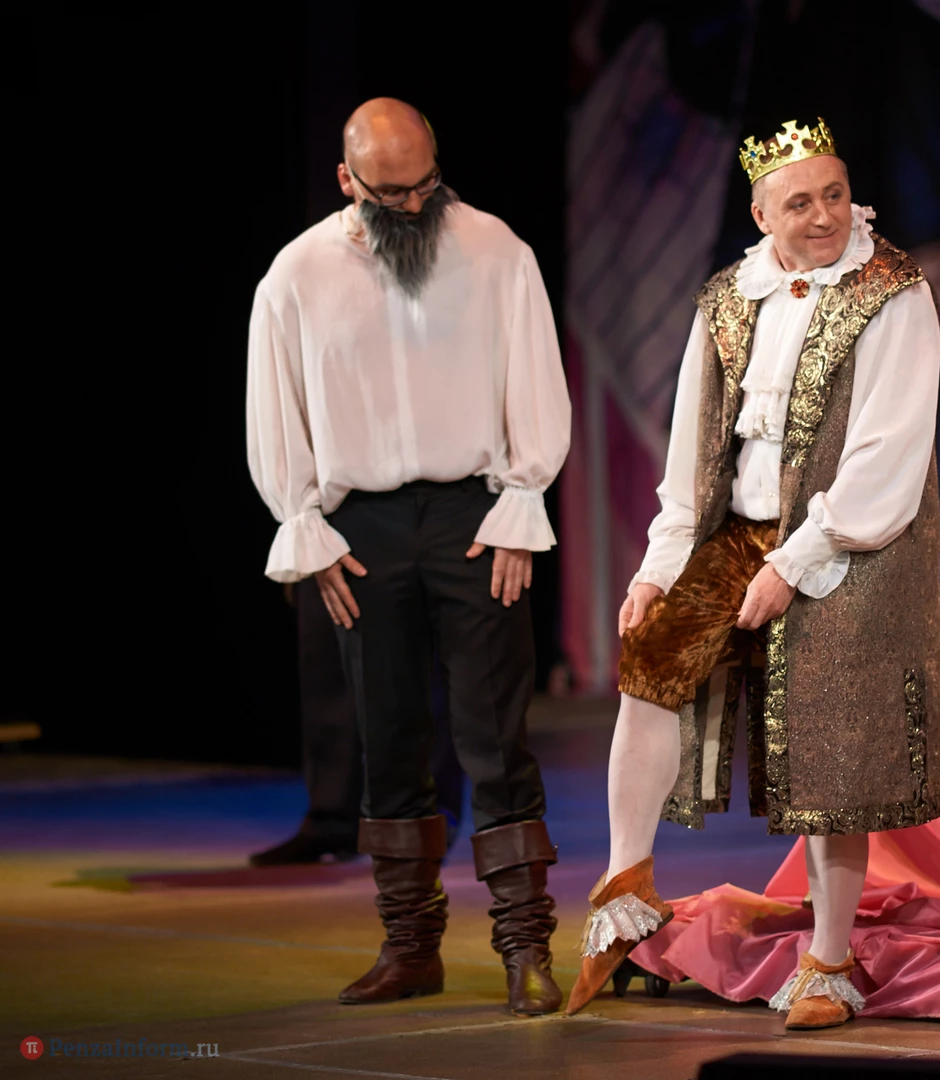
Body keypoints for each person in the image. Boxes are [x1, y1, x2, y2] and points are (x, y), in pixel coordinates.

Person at [565, 118, 940, 1030]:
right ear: (761, 215)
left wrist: (795, 561)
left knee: (827, 736)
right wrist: (660, 566)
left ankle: (829, 960)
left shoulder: (894, 291)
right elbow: (693, 448)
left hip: (852, 541)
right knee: (651, 660)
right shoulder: (729, 297)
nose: (824, 216)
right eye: (800, 203)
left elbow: (886, 458)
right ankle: (626, 887)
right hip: (738, 529)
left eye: (835, 194)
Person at [246, 98, 571, 1016]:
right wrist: (303, 526)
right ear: (347, 180)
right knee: (387, 736)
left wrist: (521, 501)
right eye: (392, 193)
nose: (416, 205)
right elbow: (276, 408)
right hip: (363, 529)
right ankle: (409, 947)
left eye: (427, 183)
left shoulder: (495, 250)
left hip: (475, 516)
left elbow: (535, 379)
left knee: (494, 735)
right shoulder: (298, 273)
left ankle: (524, 948)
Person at [248, 580, 464, 867]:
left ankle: (425, 823)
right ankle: (332, 820)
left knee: (419, 668)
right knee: (328, 663)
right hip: (326, 552)